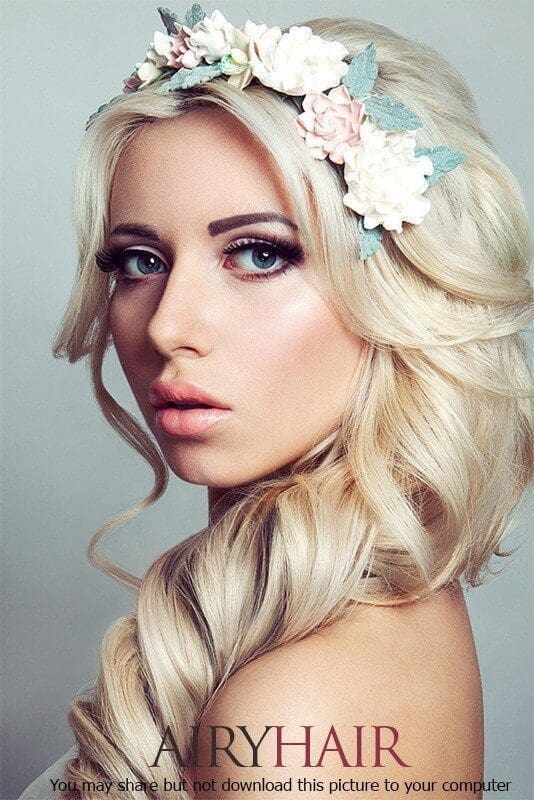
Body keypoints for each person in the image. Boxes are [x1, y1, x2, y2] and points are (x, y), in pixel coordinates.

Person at [18, 5, 532, 800]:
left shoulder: (295, 718)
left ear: (397, 287)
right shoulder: (383, 611)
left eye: (258, 253)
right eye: (139, 260)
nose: (168, 324)